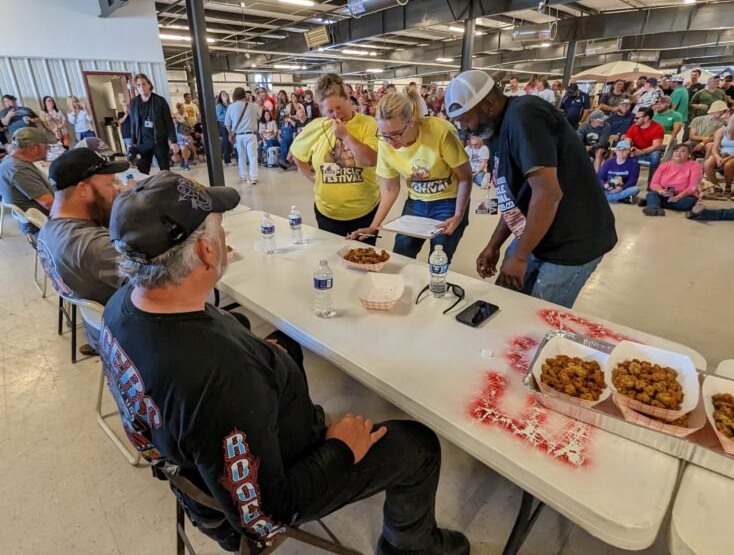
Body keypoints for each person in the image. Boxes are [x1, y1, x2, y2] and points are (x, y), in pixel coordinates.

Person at [101, 170, 469, 555]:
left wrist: (262, 361)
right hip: (246, 502)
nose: (224, 237)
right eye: (219, 227)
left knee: (285, 345)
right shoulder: (222, 375)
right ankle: (410, 547)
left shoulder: (121, 306)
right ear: (206, 251)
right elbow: (266, 514)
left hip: (189, 455)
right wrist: (340, 450)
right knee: (419, 445)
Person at [444, 70, 617, 308]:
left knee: (537, 315)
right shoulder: (494, 128)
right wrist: (494, 245)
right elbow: (514, 196)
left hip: (573, 240)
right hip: (538, 231)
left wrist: (520, 255)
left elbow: (548, 194)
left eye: (465, 119)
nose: (464, 128)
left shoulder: (524, 116)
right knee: (505, 301)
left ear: (489, 104)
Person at [347, 89, 472, 262]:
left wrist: (459, 214)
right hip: (416, 202)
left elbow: (465, 177)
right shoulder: (385, 144)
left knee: (439, 254)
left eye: (396, 134)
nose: (391, 142)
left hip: (449, 201)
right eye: (384, 135)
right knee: (402, 250)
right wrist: (373, 227)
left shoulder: (440, 132)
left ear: (411, 122)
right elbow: (390, 189)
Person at [36, 145, 128, 353]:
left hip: (98, 328)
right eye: (110, 184)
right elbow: (168, 282)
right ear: (83, 190)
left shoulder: (49, 229)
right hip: (127, 341)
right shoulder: (93, 245)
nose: (116, 191)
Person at [290, 74, 380, 237]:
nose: (336, 115)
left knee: (363, 258)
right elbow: (296, 152)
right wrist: (311, 175)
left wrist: (346, 136)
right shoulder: (317, 126)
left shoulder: (367, 123)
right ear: (322, 109)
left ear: (348, 99)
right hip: (327, 213)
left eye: (339, 107)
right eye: (330, 111)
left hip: (364, 213)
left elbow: (370, 160)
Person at [0, 127, 54, 234]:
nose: (47, 151)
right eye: (46, 147)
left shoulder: (9, 161)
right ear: (34, 147)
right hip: (43, 225)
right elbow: (49, 203)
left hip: (38, 219)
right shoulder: (19, 170)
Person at [128, 73, 177, 175]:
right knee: (142, 170)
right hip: (143, 143)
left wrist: (173, 141)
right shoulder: (134, 102)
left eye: (144, 84)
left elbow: (169, 121)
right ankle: (145, 190)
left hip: (159, 142)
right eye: (138, 85)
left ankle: (166, 188)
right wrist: (133, 141)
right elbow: (133, 123)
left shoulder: (160, 101)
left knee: (165, 171)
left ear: (149, 85)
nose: (141, 87)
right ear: (136, 87)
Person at [702, 111, 734, 198]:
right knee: (707, 164)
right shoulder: (722, 131)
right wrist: (717, 156)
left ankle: (728, 187)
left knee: (728, 164)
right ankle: (716, 187)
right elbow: (715, 147)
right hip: (722, 153)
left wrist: (728, 158)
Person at [641, 143, 702, 216]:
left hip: (684, 196)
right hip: (666, 193)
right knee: (651, 194)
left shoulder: (695, 166)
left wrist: (677, 197)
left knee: (688, 203)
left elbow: (692, 187)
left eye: (683, 151)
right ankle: (655, 208)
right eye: (676, 151)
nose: (678, 153)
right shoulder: (664, 165)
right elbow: (654, 183)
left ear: (689, 154)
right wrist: (661, 191)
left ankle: (654, 203)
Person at [225, 87, 261, 185]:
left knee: (241, 156)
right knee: (252, 156)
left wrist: (231, 133)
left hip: (238, 135)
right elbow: (259, 116)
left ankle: (243, 176)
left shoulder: (231, 107)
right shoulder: (253, 106)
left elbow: (227, 123)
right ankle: (254, 177)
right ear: (244, 95)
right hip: (251, 134)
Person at [625, 106, 665, 183]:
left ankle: (652, 183)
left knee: (655, 155)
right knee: (624, 153)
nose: (634, 119)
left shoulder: (658, 128)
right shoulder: (633, 127)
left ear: (646, 118)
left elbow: (656, 146)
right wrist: (630, 149)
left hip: (650, 151)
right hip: (637, 149)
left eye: (637, 118)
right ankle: (629, 181)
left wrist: (642, 151)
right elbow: (627, 141)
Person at [172, 103, 194, 172]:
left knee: (184, 147)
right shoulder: (174, 117)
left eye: (183, 108)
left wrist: (189, 126)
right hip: (177, 138)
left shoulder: (184, 117)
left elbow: (188, 126)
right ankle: (183, 161)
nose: (183, 109)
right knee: (175, 156)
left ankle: (186, 163)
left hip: (184, 137)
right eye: (181, 108)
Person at [215, 91, 234, 167]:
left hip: (232, 125)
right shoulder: (219, 106)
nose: (225, 95)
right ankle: (227, 160)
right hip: (223, 125)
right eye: (223, 94)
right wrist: (228, 117)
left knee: (233, 141)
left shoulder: (230, 105)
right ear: (220, 97)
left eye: (226, 94)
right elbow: (219, 116)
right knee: (226, 142)